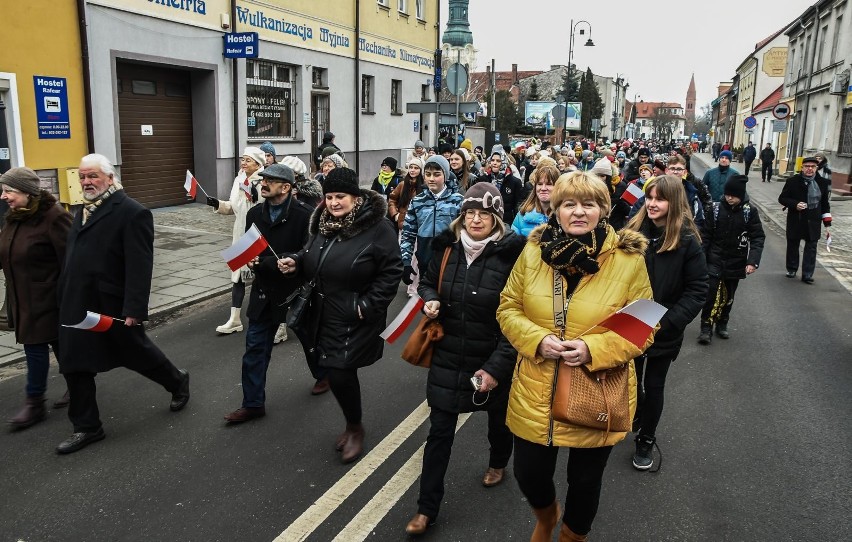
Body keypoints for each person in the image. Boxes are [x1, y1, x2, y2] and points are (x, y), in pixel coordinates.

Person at [496, 171, 654, 541]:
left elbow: (644, 324)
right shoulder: (534, 251)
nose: (578, 212)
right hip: (536, 385)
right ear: (556, 209)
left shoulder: (628, 260)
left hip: (597, 386)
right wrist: (536, 339)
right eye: (569, 204)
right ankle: (547, 515)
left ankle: (571, 536)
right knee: (529, 474)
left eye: (589, 204)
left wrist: (592, 349)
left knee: (584, 481)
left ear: (604, 209)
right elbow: (508, 307)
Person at [405, 183, 525, 535]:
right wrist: (428, 298)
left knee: (498, 423)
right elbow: (427, 282)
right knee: (439, 433)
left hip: (489, 358)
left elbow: (518, 320)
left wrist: (495, 368)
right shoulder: (446, 250)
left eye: (484, 214)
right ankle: (426, 509)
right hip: (447, 356)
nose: (475, 219)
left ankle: (499, 461)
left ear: (496, 219)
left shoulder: (512, 258)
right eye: (470, 213)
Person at [55, 154, 190, 454]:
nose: (86, 182)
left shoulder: (132, 212)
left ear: (110, 177)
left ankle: (177, 380)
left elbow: (140, 265)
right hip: (77, 303)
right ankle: (87, 427)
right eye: (82, 176)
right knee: (74, 364)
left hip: (110, 304)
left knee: (136, 353)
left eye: (93, 176)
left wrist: (134, 309)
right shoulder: (83, 209)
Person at [279, 168, 401, 463]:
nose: (334, 203)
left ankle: (355, 428)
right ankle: (352, 423)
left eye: (340, 197)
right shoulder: (322, 222)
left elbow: (392, 271)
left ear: (356, 198)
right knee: (335, 370)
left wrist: (366, 306)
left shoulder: (377, 227)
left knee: (340, 371)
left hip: (355, 314)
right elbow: (310, 251)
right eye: (330, 196)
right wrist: (296, 261)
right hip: (323, 310)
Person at [624, 175, 707, 471]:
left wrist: (669, 322)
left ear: (673, 202)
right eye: (649, 198)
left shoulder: (687, 241)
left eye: (659, 199)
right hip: (634, 317)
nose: (652, 204)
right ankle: (637, 412)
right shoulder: (633, 232)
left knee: (654, 384)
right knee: (631, 380)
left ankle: (646, 438)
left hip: (664, 323)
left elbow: (698, 290)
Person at [223, 164, 314, 423]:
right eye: (263, 179)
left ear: (286, 187)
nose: (263, 183)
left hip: (295, 291)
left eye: (270, 181)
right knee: (255, 348)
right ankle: (252, 404)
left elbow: (310, 252)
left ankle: (324, 375)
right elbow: (250, 248)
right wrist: (252, 261)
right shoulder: (254, 214)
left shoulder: (304, 215)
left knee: (311, 342)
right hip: (265, 291)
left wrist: (294, 260)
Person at [0, 168, 72, 428]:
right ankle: (78, 384)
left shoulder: (54, 218)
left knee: (35, 348)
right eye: (3, 190)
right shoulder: (15, 216)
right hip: (22, 297)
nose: (3, 196)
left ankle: (34, 403)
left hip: (47, 299)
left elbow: (71, 260)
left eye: (9, 191)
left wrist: (69, 297)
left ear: (28, 193)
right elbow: (8, 250)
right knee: (59, 346)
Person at [697, 175, 764, 344]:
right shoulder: (715, 209)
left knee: (729, 295)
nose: (729, 197)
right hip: (714, 259)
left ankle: (722, 322)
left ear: (741, 195)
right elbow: (705, 236)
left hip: (736, 261)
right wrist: (701, 259)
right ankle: (706, 327)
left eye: (733, 195)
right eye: (727, 194)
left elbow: (757, 238)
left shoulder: (750, 212)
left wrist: (752, 261)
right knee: (710, 294)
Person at [207, 147, 266, 335]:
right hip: (240, 235)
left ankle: (274, 319)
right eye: (243, 159)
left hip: (258, 236)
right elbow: (232, 207)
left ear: (258, 164)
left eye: (248, 160)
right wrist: (218, 204)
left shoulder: (265, 180)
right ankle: (234, 320)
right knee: (238, 277)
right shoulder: (239, 179)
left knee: (264, 277)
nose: (243, 163)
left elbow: (268, 207)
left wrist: (257, 197)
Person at [400, 156, 463, 287]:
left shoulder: (458, 201)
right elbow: (408, 233)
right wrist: (406, 262)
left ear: (445, 175)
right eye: (428, 174)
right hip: (425, 260)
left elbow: (465, 234)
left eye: (437, 174)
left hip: (451, 262)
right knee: (427, 301)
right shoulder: (417, 201)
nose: (431, 179)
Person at [778, 156, 831, 284]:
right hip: (796, 219)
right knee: (793, 244)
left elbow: (825, 203)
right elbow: (782, 198)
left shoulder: (823, 183)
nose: (809, 169)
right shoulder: (792, 181)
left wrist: (827, 222)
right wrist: (795, 204)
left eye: (812, 167)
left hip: (813, 220)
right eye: (807, 166)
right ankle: (791, 268)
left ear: (816, 168)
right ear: (802, 168)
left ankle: (807, 274)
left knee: (811, 247)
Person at [473, 151, 524, 226]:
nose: (494, 163)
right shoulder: (482, 179)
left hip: (507, 223)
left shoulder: (515, 182)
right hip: (486, 221)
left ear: (504, 162)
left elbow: (517, 205)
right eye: (492, 160)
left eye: (498, 161)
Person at [512, 158, 558, 237]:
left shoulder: (564, 216)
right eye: (540, 184)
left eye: (549, 184)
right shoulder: (522, 214)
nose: (543, 188)